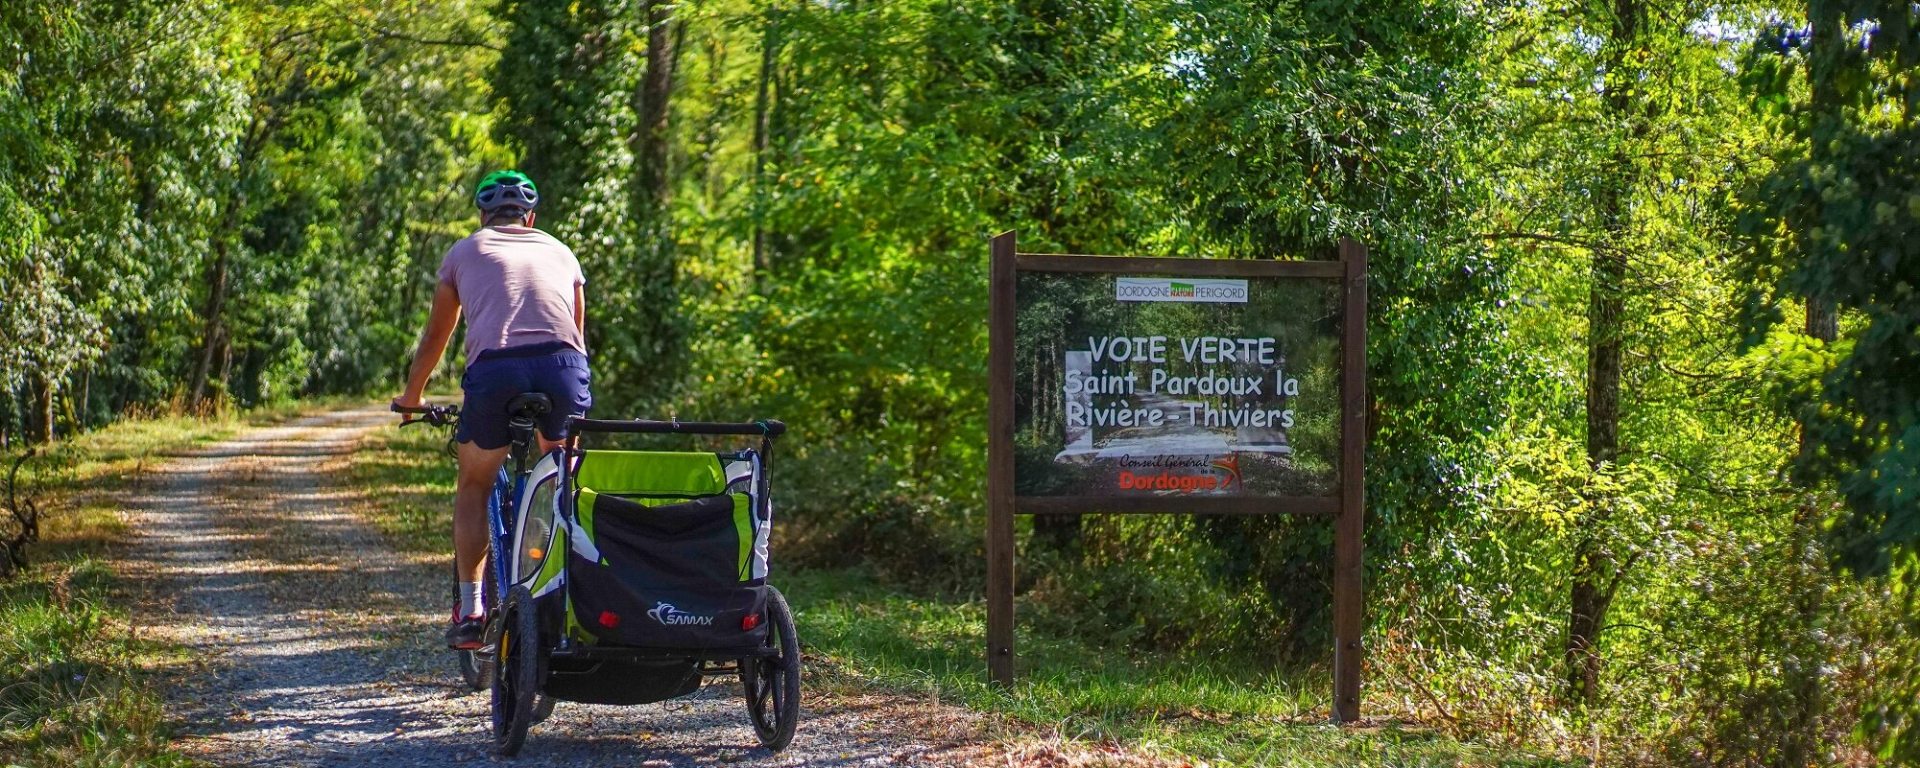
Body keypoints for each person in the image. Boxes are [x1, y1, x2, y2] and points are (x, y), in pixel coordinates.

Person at [393, 169, 591, 650]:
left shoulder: (465, 251)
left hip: (495, 372)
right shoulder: (562, 252)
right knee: (564, 476)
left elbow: (436, 336)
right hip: (562, 368)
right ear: (531, 218)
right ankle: (568, 593)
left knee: (475, 484)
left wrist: (413, 397)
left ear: (483, 217)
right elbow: (577, 335)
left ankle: (472, 609)